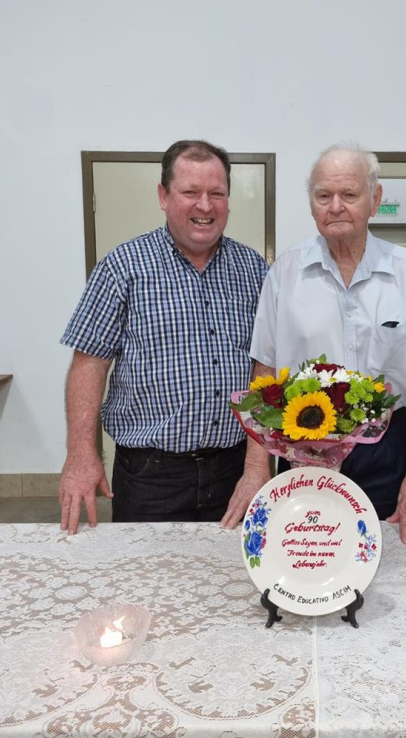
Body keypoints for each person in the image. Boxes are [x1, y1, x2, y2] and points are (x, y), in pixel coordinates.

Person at [249, 144, 406, 546]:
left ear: (374, 199)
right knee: (307, 554)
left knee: (386, 558)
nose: (335, 206)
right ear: (312, 205)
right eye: (323, 196)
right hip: (303, 447)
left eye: (349, 195)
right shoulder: (286, 272)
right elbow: (263, 371)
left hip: (386, 447)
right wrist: (255, 469)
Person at [59, 140, 271, 535]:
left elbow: (266, 367)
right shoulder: (122, 267)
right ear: (163, 195)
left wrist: (258, 465)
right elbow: (89, 364)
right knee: (145, 587)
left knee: (234, 582)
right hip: (149, 475)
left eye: (216, 194)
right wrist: (81, 454)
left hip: (234, 468)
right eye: (190, 192)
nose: (204, 206)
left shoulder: (254, 270)